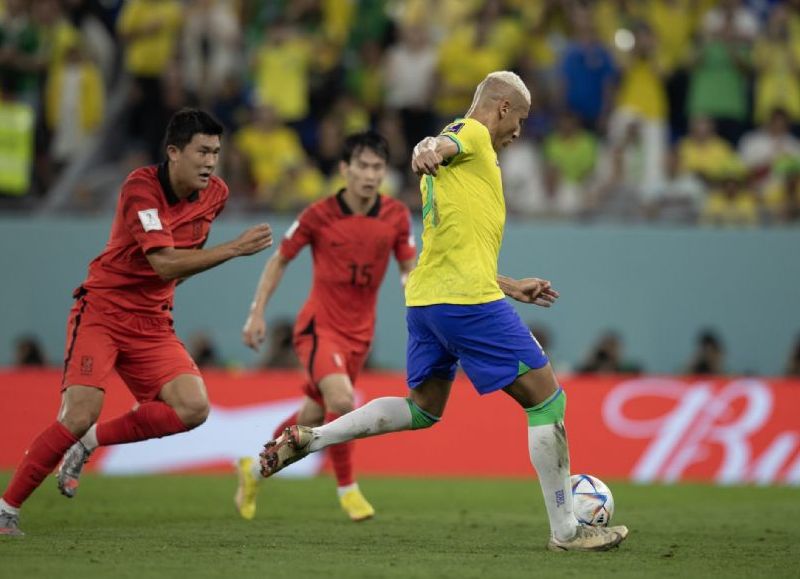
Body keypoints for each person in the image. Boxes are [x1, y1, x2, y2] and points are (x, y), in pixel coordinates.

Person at [257, 72, 629, 552]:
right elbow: (440, 142)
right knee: (546, 400)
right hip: (466, 302)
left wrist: (511, 285)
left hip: (427, 301)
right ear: (501, 108)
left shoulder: (468, 164)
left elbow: (456, 245)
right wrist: (425, 148)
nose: (520, 130)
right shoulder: (471, 134)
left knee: (422, 408)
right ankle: (567, 532)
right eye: (520, 118)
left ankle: (315, 436)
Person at [0, 109, 273, 536]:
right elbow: (163, 263)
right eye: (202, 151)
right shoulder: (140, 189)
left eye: (216, 153)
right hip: (104, 312)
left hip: (151, 320)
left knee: (193, 407)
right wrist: (234, 249)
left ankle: (90, 444)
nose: (210, 162)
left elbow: (177, 266)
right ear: (173, 152)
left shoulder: (216, 194)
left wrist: (162, 300)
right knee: (78, 414)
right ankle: (6, 508)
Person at [236, 131, 416, 522]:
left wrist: (415, 297)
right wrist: (256, 312)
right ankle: (348, 489)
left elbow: (408, 268)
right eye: (363, 166)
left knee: (314, 418)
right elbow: (280, 259)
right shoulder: (318, 214)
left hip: (360, 336)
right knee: (341, 402)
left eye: (378, 168)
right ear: (344, 169)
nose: (371, 175)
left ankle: (252, 469)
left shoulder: (396, 216)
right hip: (320, 329)